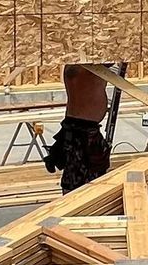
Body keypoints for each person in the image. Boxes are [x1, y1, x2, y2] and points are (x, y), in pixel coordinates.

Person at [44, 62, 112, 196]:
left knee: (73, 174)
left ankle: (73, 206)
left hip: (76, 126)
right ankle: (76, 208)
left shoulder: (72, 67)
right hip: (84, 132)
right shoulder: (89, 68)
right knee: (86, 177)